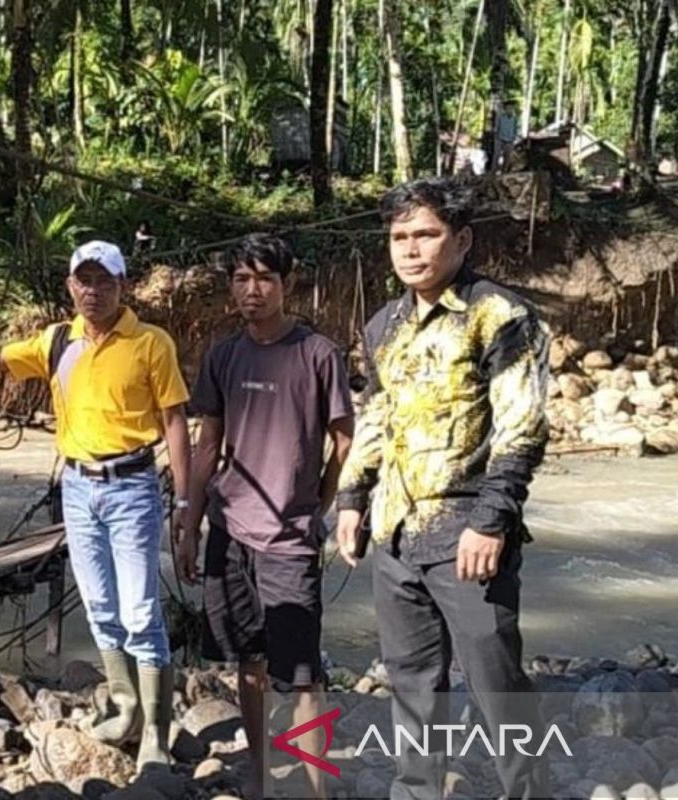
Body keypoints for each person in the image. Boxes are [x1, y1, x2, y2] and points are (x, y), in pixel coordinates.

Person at [0, 240, 190, 772]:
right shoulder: (56, 341)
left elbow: (176, 423)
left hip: (132, 486)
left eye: (103, 281)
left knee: (141, 609)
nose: (92, 291)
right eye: (83, 280)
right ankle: (123, 708)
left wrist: (185, 500)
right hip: (77, 486)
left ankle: (156, 734)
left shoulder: (150, 343)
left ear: (123, 285)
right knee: (99, 604)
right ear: (70, 285)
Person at [335, 178, 550, 799]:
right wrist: (352, 501)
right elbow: (376, 418)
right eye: (399, 237)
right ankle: (417, 790)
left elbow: (522, 426)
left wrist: (492, 519)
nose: (410, 248)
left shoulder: (500, 315)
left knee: (495, 678)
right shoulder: (384, 326)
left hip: (468, 529)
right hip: (397, 531)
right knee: (411, 679)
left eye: (426, 234)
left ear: (462, 239)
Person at [176, 235, 354, 800]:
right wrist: (189, 522)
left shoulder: (318, 354)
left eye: (265, 279)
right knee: (246, 661)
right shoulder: (225, 354)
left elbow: (345, 444)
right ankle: (257, 770)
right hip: (230, 531)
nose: (252, 291)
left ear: (287, 283)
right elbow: (208, 446)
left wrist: (318, 506)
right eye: (241, 279)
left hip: (291, 539)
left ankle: (315, 783)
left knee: (301, 672)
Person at [494, 102, 519, 172]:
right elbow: (496, 127)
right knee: (496, 155)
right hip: (500, 139)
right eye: (508, 108)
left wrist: (514, 137)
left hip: (510, 140)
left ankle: (504, 171)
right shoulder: (500, 117)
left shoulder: (514, 119)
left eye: (511, 109)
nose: (510, 110)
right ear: (505, 109)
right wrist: (496, 137)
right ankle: (493, 171)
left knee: (507, 157)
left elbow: (515, 128)